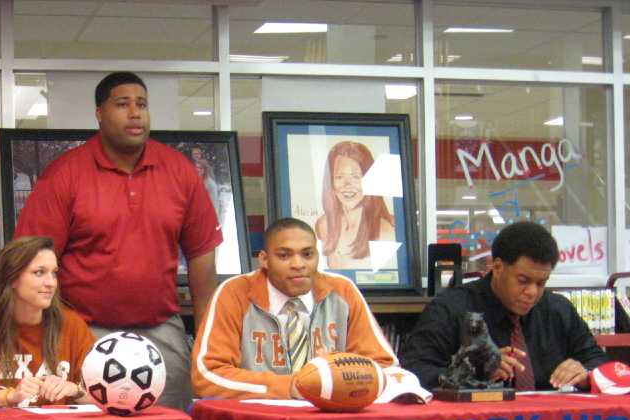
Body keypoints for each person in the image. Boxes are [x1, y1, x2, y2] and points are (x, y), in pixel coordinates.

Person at [14, 71, 222, 412]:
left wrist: (206, 342)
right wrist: (43, 337)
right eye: (122, 104)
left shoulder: (179, 171)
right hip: (82, 330)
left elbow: (202, 259)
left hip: (160, 330)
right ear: (99, 113)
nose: (135, 113)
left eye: (141, 104)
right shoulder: (66, 174)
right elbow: (32, 261)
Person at [192, 218, 397, 399]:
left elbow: (385, 367)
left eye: (307, 254)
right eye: (284, 256)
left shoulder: (342, 291)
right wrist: (290, 387)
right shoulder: (234, 293)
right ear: (264, 259)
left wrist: (341, 380)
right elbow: (207, 376)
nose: (298, 264)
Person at [400, 221, 608, 391]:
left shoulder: (558, 310)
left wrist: (586, 374)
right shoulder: (450, 309)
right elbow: (411, 371)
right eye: (523, 280)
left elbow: (600, 362)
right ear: (497, 267)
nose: (532, 293)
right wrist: (470, 373)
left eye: (541, 283)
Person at [0, 236, 96, 408]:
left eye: (54, 273)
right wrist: (10, 396)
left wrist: (74, 389)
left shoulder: (72, 324)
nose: (51, 283)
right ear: (12, 278)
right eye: (39, 272)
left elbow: (107, 396)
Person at [314, 140, 396, 269]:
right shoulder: (323, 225)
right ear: (331, 182)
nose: (347, 185)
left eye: (356, 177)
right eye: (340, 177)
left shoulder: (387, 231)